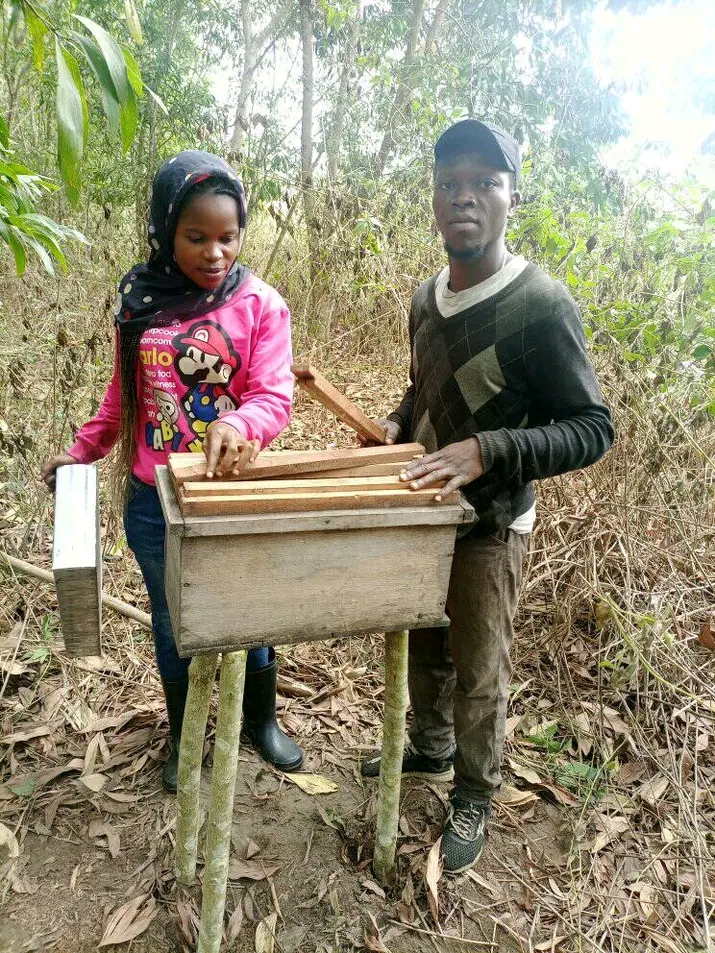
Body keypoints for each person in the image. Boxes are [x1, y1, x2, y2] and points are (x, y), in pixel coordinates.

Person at [361, 120, 614, 873]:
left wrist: (487, 451)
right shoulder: (423, 299)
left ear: (512, 196)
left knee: (479, 666)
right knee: (426, 644)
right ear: (433, 199)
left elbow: (592, 428)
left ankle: (473, 790)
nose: (463, 198)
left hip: (493, 522)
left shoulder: (540, 303)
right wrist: (396, 423)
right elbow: (424, 388)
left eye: (483, 183)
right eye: (448, 184)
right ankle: (429, 752)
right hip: (425, 512)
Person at [42, 151, 303, 792]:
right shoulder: (139, 304)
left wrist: (238, 425)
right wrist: (82, 451)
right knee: (173, 620)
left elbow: (274, 393)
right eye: (196, 237)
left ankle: (258, 723)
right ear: (164, 231)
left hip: (230, 495)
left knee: (250, 613)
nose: (215, 253)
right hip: (153, 502)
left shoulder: (261, 306)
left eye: (228, 236)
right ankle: (187, 736)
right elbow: (121, 396)